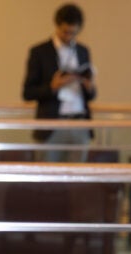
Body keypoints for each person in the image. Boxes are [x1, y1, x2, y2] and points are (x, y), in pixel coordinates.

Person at [21, 3, 96, 161]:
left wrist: (89, 87)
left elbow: (91, 95)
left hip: (79, 123)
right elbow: (27, 92)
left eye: (73, 33)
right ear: (57, 26)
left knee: (78, 174)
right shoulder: (40, 52)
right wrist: (52, 87)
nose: (69, 36)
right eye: (65, 32)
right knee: (46, 174)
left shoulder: (83, 51)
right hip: (52, 125)